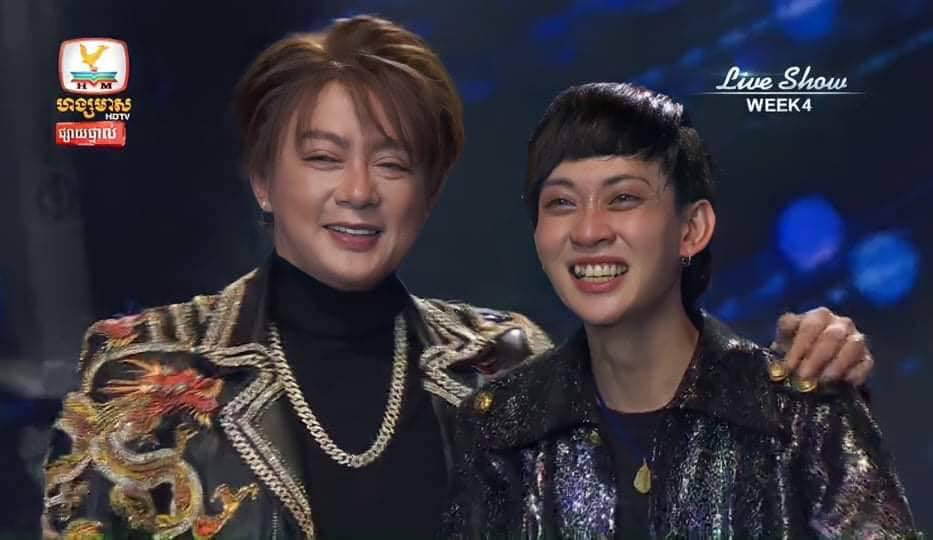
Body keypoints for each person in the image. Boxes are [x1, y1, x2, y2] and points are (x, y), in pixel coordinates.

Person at [42, 17, 878, 540]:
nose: (358, 191)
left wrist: (801, 370)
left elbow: (666, 456)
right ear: (263, 179)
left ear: (430, 189)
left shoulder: (502, 359)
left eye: (392, 162)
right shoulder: (145, 365)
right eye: (323, 158)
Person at [451, 82, 918, 538]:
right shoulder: (499, 430)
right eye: (561, 203)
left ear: (692, 229)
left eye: (623, 198)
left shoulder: (800, 417)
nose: (588, 231)